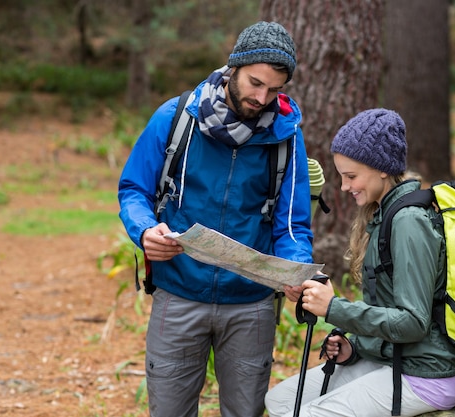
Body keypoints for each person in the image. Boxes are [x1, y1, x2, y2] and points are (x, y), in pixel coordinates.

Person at [118, 21, 314, 417]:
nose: (262, 98)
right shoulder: (175, 118)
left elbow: (292, 224)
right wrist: (144, 231)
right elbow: (133, 190)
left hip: (251, 306)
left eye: (274, 90)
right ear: (233, 68)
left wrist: (296, 270)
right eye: (255, 83)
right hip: (177, 296)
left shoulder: (286, 136)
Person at [265, 109, 455, 416]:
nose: (345, 187)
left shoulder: (409, 222)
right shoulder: (383, 214)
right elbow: (389, 310)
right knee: (280, 402)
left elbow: (413, 322)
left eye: (351, 176)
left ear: (382, 169)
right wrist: (355, 346)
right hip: (395, 358)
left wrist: (335, 309)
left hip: (426, 374)